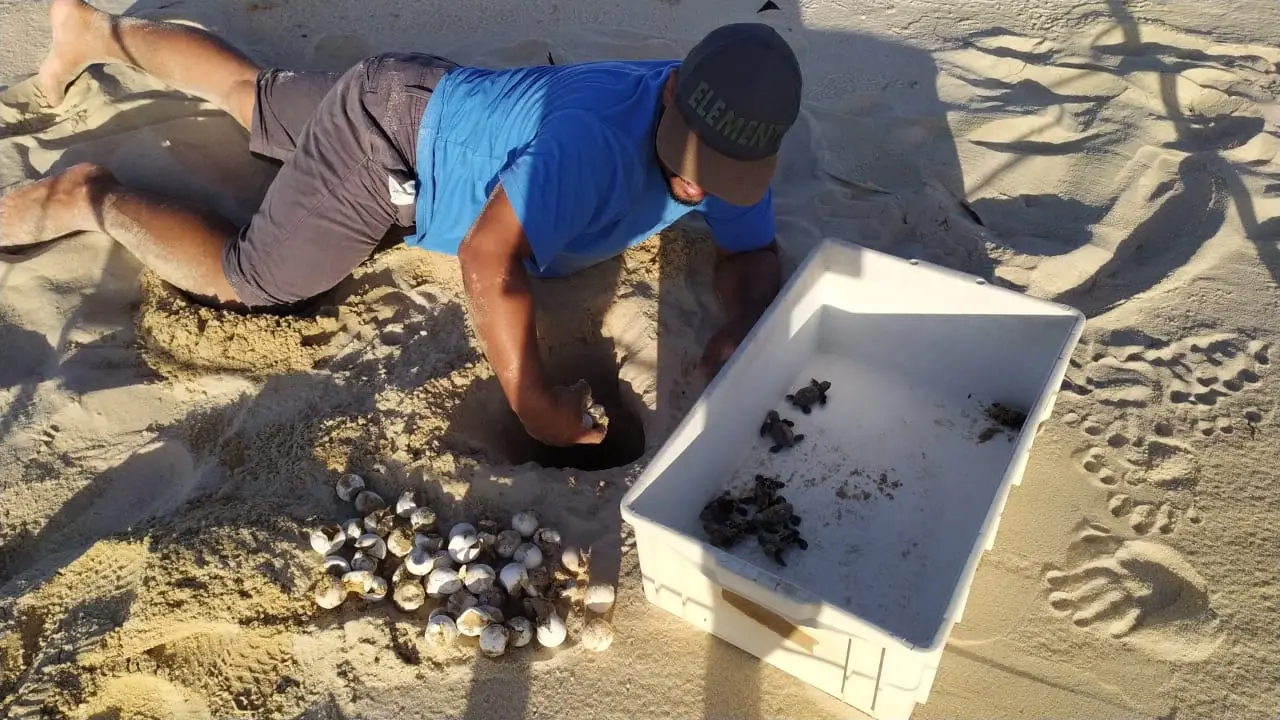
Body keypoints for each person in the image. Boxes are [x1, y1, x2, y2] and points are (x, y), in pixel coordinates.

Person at [0, 0, 803, 449]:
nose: (698, 184)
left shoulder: (727, 136)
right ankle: (89, 197)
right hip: (388, 154)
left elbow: (751, 253)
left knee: (254, 99)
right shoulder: (592, 141)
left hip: (414, 93)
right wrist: (531, 402)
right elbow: (488, 257)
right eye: (686, 158)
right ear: (671, 91)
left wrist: (742, 320)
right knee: (253, 281)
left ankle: (92, 32)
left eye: (722, 174)